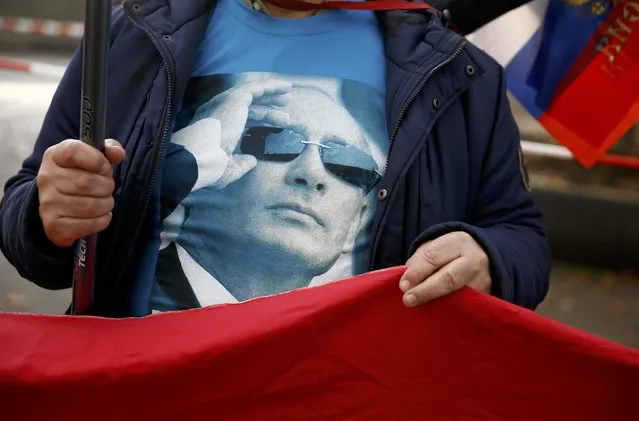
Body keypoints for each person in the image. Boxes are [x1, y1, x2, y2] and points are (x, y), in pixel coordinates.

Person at [0, 0, 551, 318]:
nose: (312, 174)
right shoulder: (135, 34)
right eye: (273, 141)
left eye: (349, 165)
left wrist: (487, 256)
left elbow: (520, 238)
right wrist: (49, 215)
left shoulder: (454, 69)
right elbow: (32, 223)